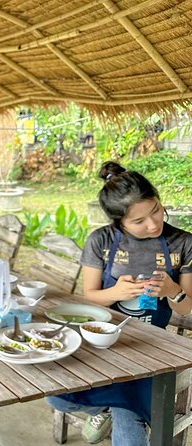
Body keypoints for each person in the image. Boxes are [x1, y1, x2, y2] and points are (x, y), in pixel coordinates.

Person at [47, 161, 192, 445]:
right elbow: (89, 295)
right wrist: (115, 293)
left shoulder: (182, 243)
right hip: (100, 342)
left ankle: (115, 405)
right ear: (119, 222)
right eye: (138, 221)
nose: (153, 224)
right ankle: (109, 405)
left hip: (151, 349)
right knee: (58, 397)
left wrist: (173, 290)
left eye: (156, 210)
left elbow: (186, 308)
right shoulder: (101, 241)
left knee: (127, 409)